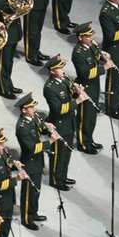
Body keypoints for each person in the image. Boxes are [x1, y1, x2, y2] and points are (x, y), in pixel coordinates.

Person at [14, 93, 57, 230]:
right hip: (30, 161)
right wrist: (49, 141)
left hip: (37, 161)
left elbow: (40, 126)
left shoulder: (32, 118)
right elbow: (32, 148)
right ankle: (27, 218)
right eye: (31, 107)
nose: (34, 109)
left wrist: (47, 126)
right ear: (24, 110)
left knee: (36, 189)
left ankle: (33, 212)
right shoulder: (22, 127)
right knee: (28, 192)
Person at [43, 55, 82, 190]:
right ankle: (55, 180)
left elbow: (71, 94)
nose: (63, 70)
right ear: (52, 71)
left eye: (62, 67)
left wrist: (78, 92)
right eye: (59, 68)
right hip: (59, 124)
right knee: (58, 155)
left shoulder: (64, 80)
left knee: (66, 153)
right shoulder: (50, 87)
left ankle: (63, 176)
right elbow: (59, 109)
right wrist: (77, 101)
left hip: (69, 122)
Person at [71, 22, 109, 154]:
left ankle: (89, 139)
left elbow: (96, 56)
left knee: (91, 117)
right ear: (80, 38)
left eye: (91, 35)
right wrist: (103, 68)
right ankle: (83, 143)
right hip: (85, 86)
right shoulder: (78, 52)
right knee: (84, 118)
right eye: (87, 36)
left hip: (94, 86)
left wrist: (103, 55)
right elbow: (85, 73)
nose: (91, 38)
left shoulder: (91, 46)